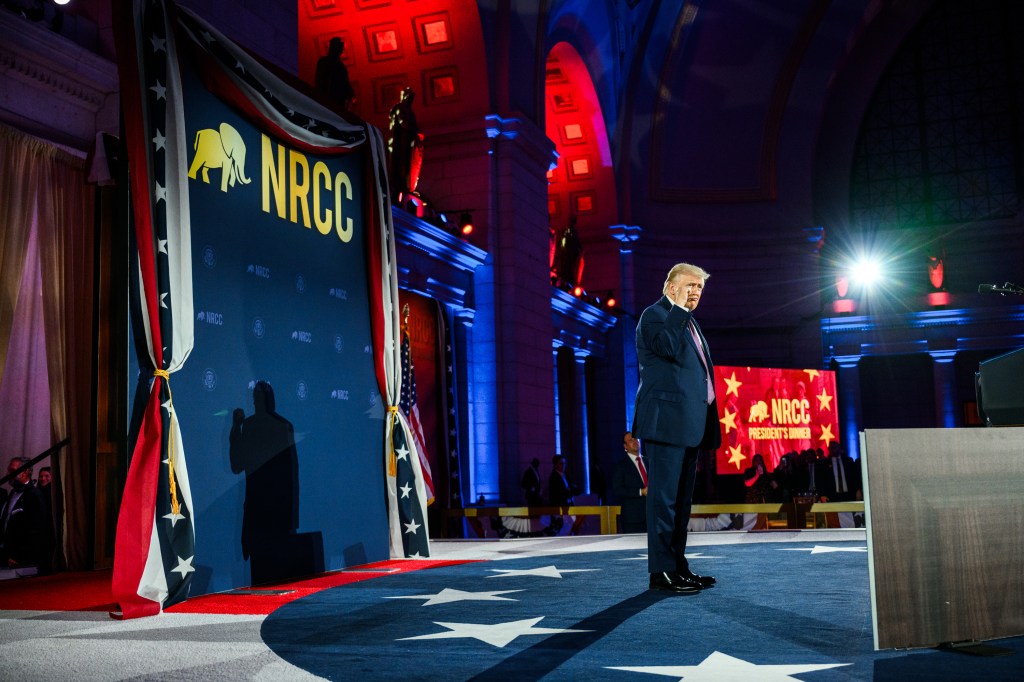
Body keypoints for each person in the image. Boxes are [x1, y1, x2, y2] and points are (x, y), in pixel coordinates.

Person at [632, 262, 721, 594]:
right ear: (671, 286)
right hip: (665, 424)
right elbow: (667, 347)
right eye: (689, 285)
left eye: (699, 287)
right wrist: (680, 309)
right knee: (663, 502)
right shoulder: (655, 315)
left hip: (688, 425)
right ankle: (661, 572)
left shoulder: (689, 321)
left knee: (680, 504)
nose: (695, 292)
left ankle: (678, 567)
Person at [0, 458, 47, 571]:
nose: (8, 474)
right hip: (7, 554)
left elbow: (36, 530)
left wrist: (19, 556)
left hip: (22, 559)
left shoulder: (34, 495)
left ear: (24, 472)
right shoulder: (12, 493)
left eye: (12, 470)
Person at [386, 87, 424, 204]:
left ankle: (407, 187)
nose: (411, 99)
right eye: (410, 96)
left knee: (408, 164)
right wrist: (415, 131)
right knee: (401, 164)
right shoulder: (400, 108)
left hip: (408, 143)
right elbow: (403, 122)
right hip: (400, 143)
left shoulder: (409, 110)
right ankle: (401, 186)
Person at [611, 431, 648, 533]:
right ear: (625, 446)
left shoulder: (649, 462)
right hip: (633, 519)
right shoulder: (621, 466)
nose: (635, 441)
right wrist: (640, 492)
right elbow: (617, 490)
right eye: (630, 440)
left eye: (636, 439)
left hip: (653, 517)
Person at [314, 37, 354, 110]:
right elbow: (320, 80)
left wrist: (350, 95)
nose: (341, 50)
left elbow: (345, 82)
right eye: (339, 47)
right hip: (328, 98)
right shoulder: (324, 61)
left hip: (337, 100)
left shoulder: (341, 66)